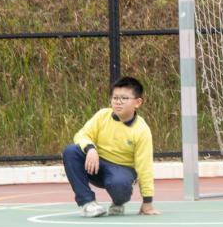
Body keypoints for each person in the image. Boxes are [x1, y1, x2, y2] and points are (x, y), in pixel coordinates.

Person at [62, 76, 160, 217]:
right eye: (115, 98)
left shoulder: (142, 130)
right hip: (95, 165)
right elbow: (81, 135)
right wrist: (90, 149)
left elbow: (145, 167)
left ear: (137, 102)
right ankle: (88, 203)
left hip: (121, 171)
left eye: (124, 98)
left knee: (119, 184)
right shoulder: (102, 115)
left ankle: (118, 202)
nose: (118, 102)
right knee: (71, 151)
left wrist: (147, 202)